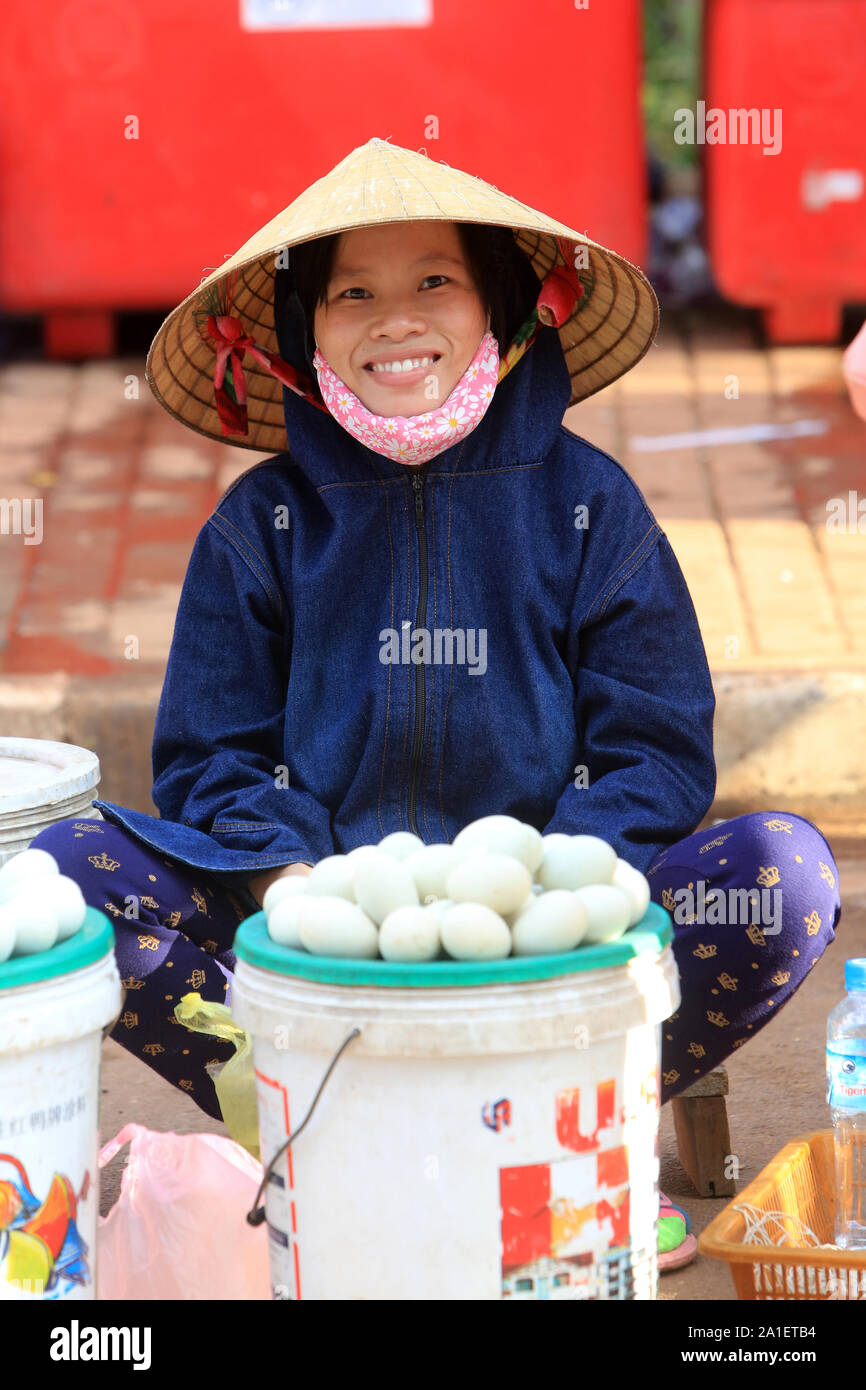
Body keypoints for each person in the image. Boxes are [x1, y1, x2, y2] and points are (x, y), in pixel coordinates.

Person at [31, 139, 841, 1275]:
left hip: (554, 948)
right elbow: (208, 757)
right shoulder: (258, 528)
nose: (391, 319)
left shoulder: (588, 510)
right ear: (303, 335)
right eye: (351, 292)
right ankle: (321, 1143)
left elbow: (654, 748)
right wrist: (293, 881)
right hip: (320, 944)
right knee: (64, 874)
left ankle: (582, 1151)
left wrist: (554, 884)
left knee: (780, 877)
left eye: (432, 283)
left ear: (504, 311)